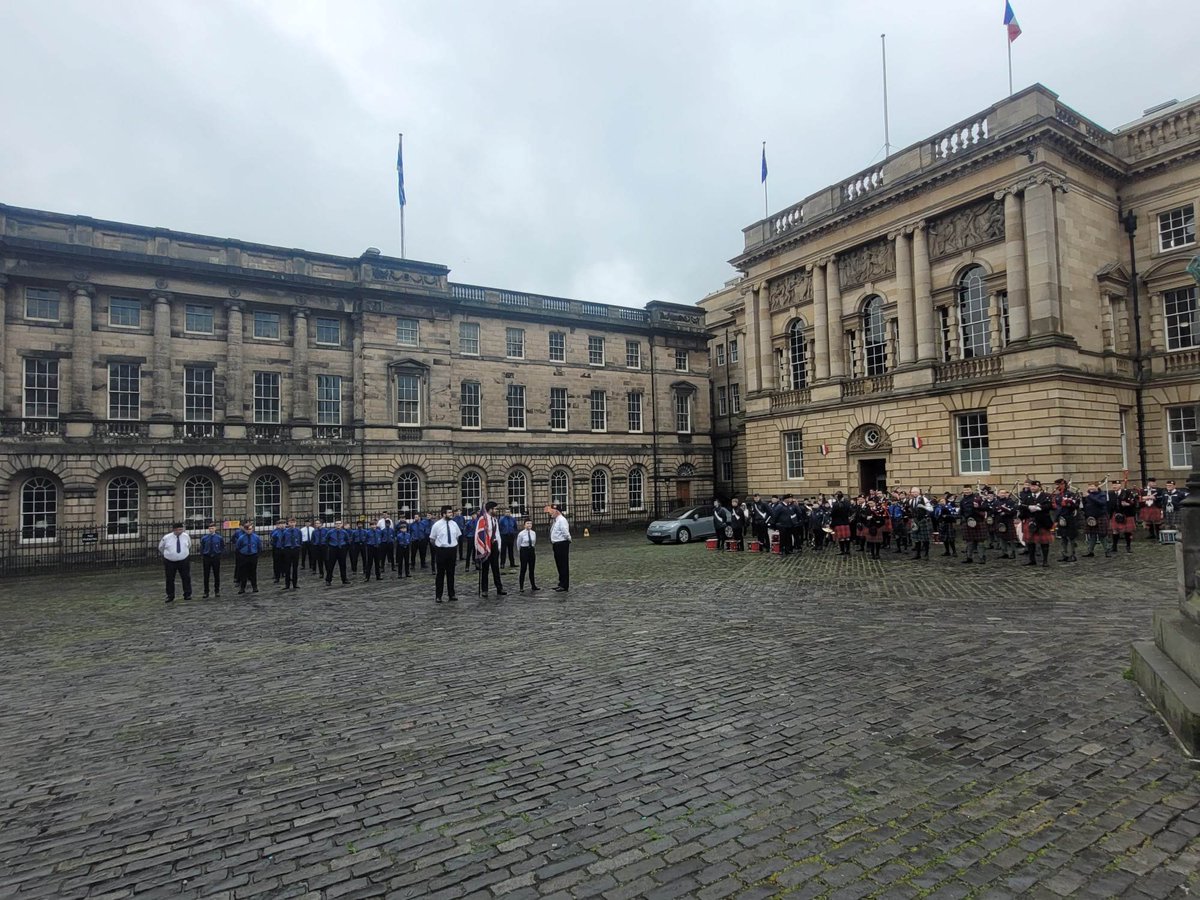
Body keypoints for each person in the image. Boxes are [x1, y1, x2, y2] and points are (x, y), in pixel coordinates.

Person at [430, 505, 462, 603]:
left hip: (452, 550)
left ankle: (451, 594)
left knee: (451, 573)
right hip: (441, 550)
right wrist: (439, 547)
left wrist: (452, 545)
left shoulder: (454, 524)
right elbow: (432, 539)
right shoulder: (437, 525)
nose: (451, 514)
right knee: (440, 574)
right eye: (449, 513)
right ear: (443, 514)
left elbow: (457, 536)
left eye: (451, 512)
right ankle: (438, 596)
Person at [476, 501, 507, 598]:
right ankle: (484, 590)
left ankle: (499, 588)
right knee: (485, 568)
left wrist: (499, 546)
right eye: (495, 509)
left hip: (494, 545)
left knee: (495, 568)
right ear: (490, 509)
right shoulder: (482, 519)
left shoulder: (494, 520)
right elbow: (478, 534)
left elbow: (497, 534)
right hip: (486, 546)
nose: (496, 510)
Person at [1021, 480, 1055, 567]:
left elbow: (1050, 506)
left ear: (1039, 487)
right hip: (1030, 520)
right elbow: (1021, 506)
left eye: (1034, 486)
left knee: (1044, 542)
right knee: (1030, 542)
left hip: (1043, 521)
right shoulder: (1026, 496)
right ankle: (1032, 560)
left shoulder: (1046, 496)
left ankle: (1045, 561)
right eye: (1031, 486)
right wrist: (1028, 507)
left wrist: (1040, 508)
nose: (1032, 488)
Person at [158, 522, 193, 604]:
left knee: (186, 577)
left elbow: (189, 545)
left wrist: (183, 553)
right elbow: (161, 547)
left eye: (181, 529)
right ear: (174, 529)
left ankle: (187, 594)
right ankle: (170, 595)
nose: (180, 531)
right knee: (170, 579)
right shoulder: (167, 537)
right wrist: (168, 554)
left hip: (183, 559)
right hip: (170, 561)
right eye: (178, 529)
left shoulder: (186, 536)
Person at [1109, 479, 1138, 554]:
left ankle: (1128, 546)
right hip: (1116, 513)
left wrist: (1128, 504)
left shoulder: (1127, 492)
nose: (1114, 486)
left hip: (1126, 514)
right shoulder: (1110, 493)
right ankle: (1114, 546)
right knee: (1115, 530)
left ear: (1120, 485)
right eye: (1113, 485)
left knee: (1127, 531)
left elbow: (1134, 501)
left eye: (1116, 485)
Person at [1082, 482, 1111, 558]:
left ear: (1097, 487)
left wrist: (1090, 496)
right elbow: (1084, 505)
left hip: (1100, 516)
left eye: (1092, 486)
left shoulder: (1102, 494)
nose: (1090, 488)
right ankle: (1090, 551)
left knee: (1102, 535)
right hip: (1090, 517)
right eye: (1089, 486)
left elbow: (1101, 503)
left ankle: (1107, 551)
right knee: (1092, 535)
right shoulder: (1087, 495)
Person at [548, 503, 572, 592]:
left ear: (557, 511)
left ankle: (564, 585)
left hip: (562, 544)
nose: (550, 513)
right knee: (559, 564)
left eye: (552, 511)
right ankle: (561, 583)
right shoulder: (556, 520)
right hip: (556, 544)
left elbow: (565, 532)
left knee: (563, 565)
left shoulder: (561, 520)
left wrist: (569, 539)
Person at [234, 522, 262, 594]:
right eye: (247, 529)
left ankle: (254, 587)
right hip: (244, 556)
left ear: (252, 529)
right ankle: (242, 588)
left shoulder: (256, 537)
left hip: (253, 555)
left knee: (253, 572)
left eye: (250, 529)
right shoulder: (241, 538)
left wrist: (256, 554)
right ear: (245, 530)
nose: (249, 531)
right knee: (244, 573)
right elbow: (238, 547)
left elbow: (259, 547)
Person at [199, 521, 224, 598]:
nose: (211, 530)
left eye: (212, 528)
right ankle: (206, 591)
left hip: (215, 557)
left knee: (216, 575)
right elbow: (202, 547)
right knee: (206, 575)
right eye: (210, 528)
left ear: (215, 529)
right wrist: (203, 555)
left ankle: (217, 591)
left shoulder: (219, 538)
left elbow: (222, 546)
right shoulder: (204, 538)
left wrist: (219, 554)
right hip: (207, 557)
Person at [517, 519, 540, 592]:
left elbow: (534, 542)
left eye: (530, 523)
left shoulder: (533, 533)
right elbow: (518, 544)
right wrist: (520, 551)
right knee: (523, 569)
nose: (529, 525)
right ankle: (521, 587)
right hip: (524, 550)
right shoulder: (521, 534)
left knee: (531, 569)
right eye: (527, 523)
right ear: (524, 525)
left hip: (531, 550)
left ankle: (533, 585)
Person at [325, 520, 350, 585]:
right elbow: (326, 540)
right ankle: (328, 580)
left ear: (341, 525)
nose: (338, 525)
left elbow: (347, 540)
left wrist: (344, 548)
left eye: (339, 524)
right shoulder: (330, 532)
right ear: (334, 525)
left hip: (342, 548)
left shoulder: (344, 532)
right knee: (331, 565)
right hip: (333, 548)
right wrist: (330, 546)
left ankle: (344, 579)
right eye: (337, 524)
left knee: (343, 565)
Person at [280, 517, 302, 589]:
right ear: (288, 523)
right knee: (287, 567)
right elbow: (282, 541)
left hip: (295, 549)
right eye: (290, 522)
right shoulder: (285, 532)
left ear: (295, 523)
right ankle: (287, 584)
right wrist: (284, 549)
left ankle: (295, 583)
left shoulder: (298, 531)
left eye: (293, 522)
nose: (292, 524)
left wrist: (298, 546)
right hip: (288, 549)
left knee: (295, 567)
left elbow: (300, 540)